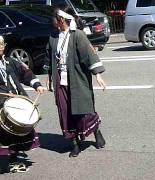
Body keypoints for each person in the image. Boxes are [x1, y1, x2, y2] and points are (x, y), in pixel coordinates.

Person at [46, 6, 107, 158]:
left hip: (77, 78)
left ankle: (96, 130)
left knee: (83, 110)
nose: (52, 21)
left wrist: (97, 74)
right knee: (65, 112)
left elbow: (88, 55)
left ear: (61, 19)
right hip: (61, 79)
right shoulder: (53, 36)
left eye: (54, 18)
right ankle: (74, 142)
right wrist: (49, 77)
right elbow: (49, 57)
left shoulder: (77, 35)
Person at [0, 35, 44, 173]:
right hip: (2, 104)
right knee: (6, 134)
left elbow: (26, 73)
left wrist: (36, 84)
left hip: (17, 100)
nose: (0, 47)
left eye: (1, 44)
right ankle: (12, 158)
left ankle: (15, 156)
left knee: (19, 131)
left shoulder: (10, 61)